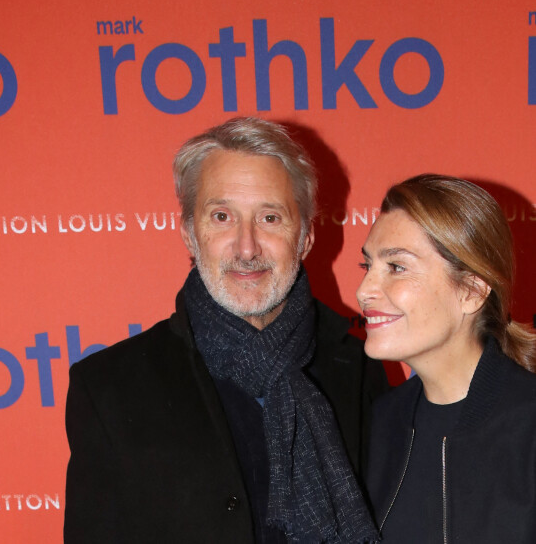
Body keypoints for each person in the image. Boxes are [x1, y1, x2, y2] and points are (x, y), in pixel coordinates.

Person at [64, 117, 388, 544]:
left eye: (270, 218)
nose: (246, 247)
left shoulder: (362, 371)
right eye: (222, 217)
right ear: (189, 233)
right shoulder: (109, 387)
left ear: (306, 237)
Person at [356, 174, 536, 543]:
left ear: (471, 290)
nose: (364, 291)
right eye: (367, 266)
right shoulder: (380, 421)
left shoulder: (528, 423)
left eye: (396, 267)